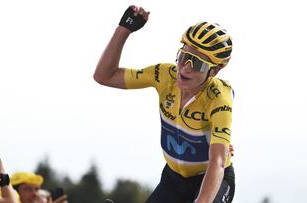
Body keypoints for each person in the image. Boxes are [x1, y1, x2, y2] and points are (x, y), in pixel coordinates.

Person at [94, 5, 235, 203]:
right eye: (184, 57)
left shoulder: (219, 98)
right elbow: (104, 76)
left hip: (211, 178)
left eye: (196, 64)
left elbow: (218, 161)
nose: (185, 68)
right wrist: (124, 29)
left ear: (214, 71)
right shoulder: (163, 75)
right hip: (173, 178)